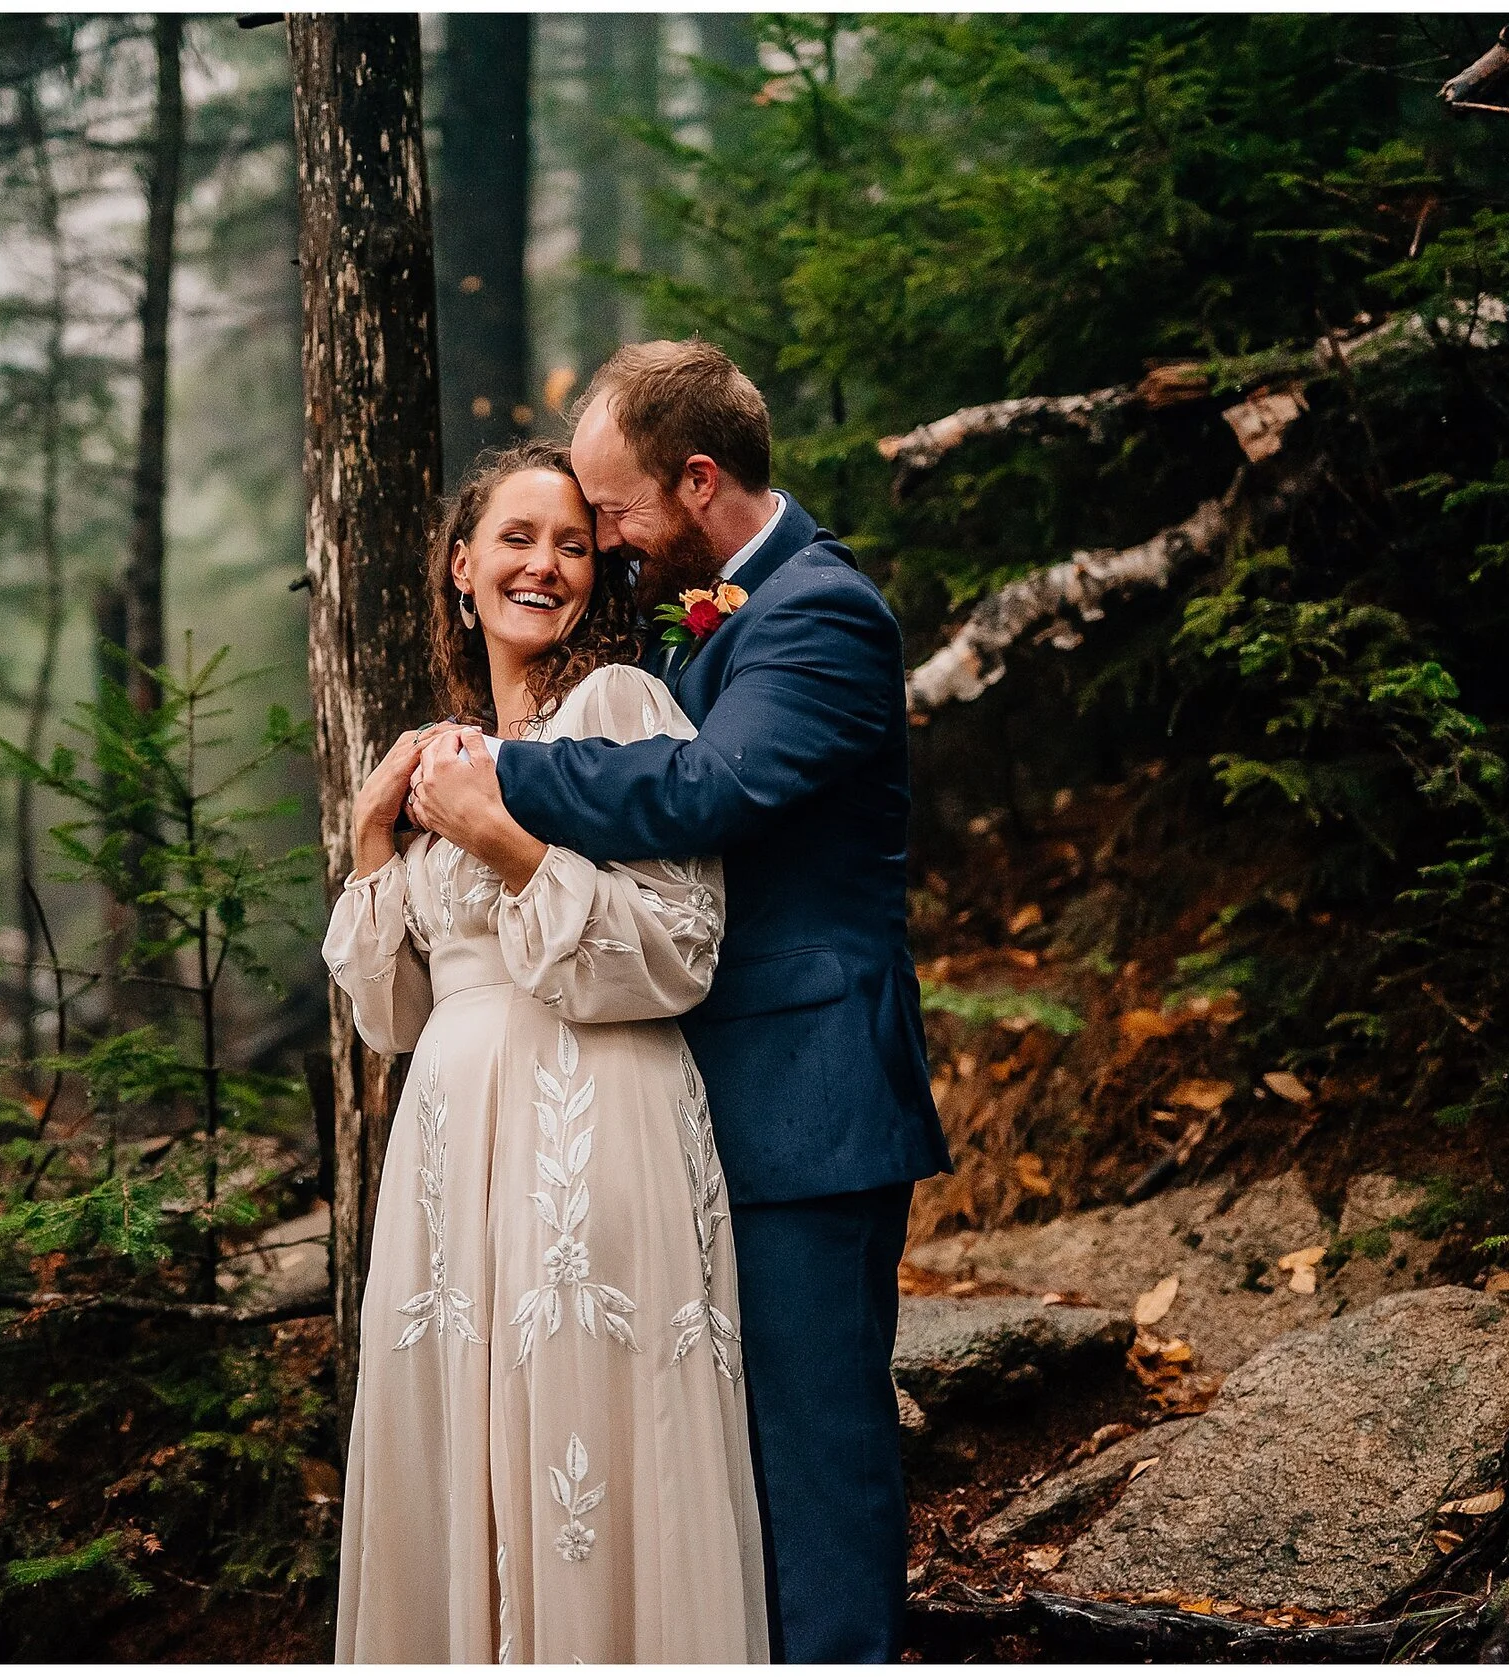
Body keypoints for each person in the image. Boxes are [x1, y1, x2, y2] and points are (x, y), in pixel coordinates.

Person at [407, 340, 952, 1663]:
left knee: (817, 1463)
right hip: (699, 1114)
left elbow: (707, 793)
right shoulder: (703, 617)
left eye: (614, 512)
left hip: (806, 1106)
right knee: (726, 1479)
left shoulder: (821, 612)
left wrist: (504, 786)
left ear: (695, 481)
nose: (604, 541)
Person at [326, 437, 768, 1664]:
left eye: (573, 544)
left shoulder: (621, 709)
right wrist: (376, 841)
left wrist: (506, 840)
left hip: (592, 1118)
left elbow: (679, 950)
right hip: (453, 1142)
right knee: (458, 1442)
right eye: (516, 540)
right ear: (460, 567)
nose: (546, 565)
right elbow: (392, 1020)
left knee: (587, 1422)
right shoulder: (436, 753)